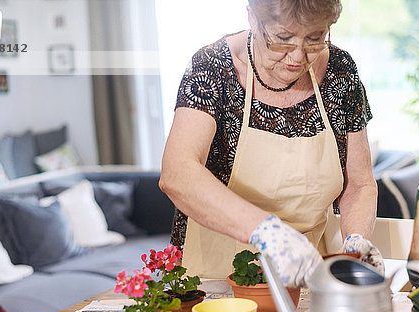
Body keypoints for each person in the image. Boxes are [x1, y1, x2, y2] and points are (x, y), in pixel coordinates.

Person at [160, 0, 383, 287]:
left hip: (305, 277)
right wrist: (269, 233)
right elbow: (177, 174)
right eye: (282, 39)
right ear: (253, 18)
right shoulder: (213, 68)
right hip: (212, 277)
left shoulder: (341, 72)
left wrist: (356, 243)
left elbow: (360, 184)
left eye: (314, 39)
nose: (297, 57)